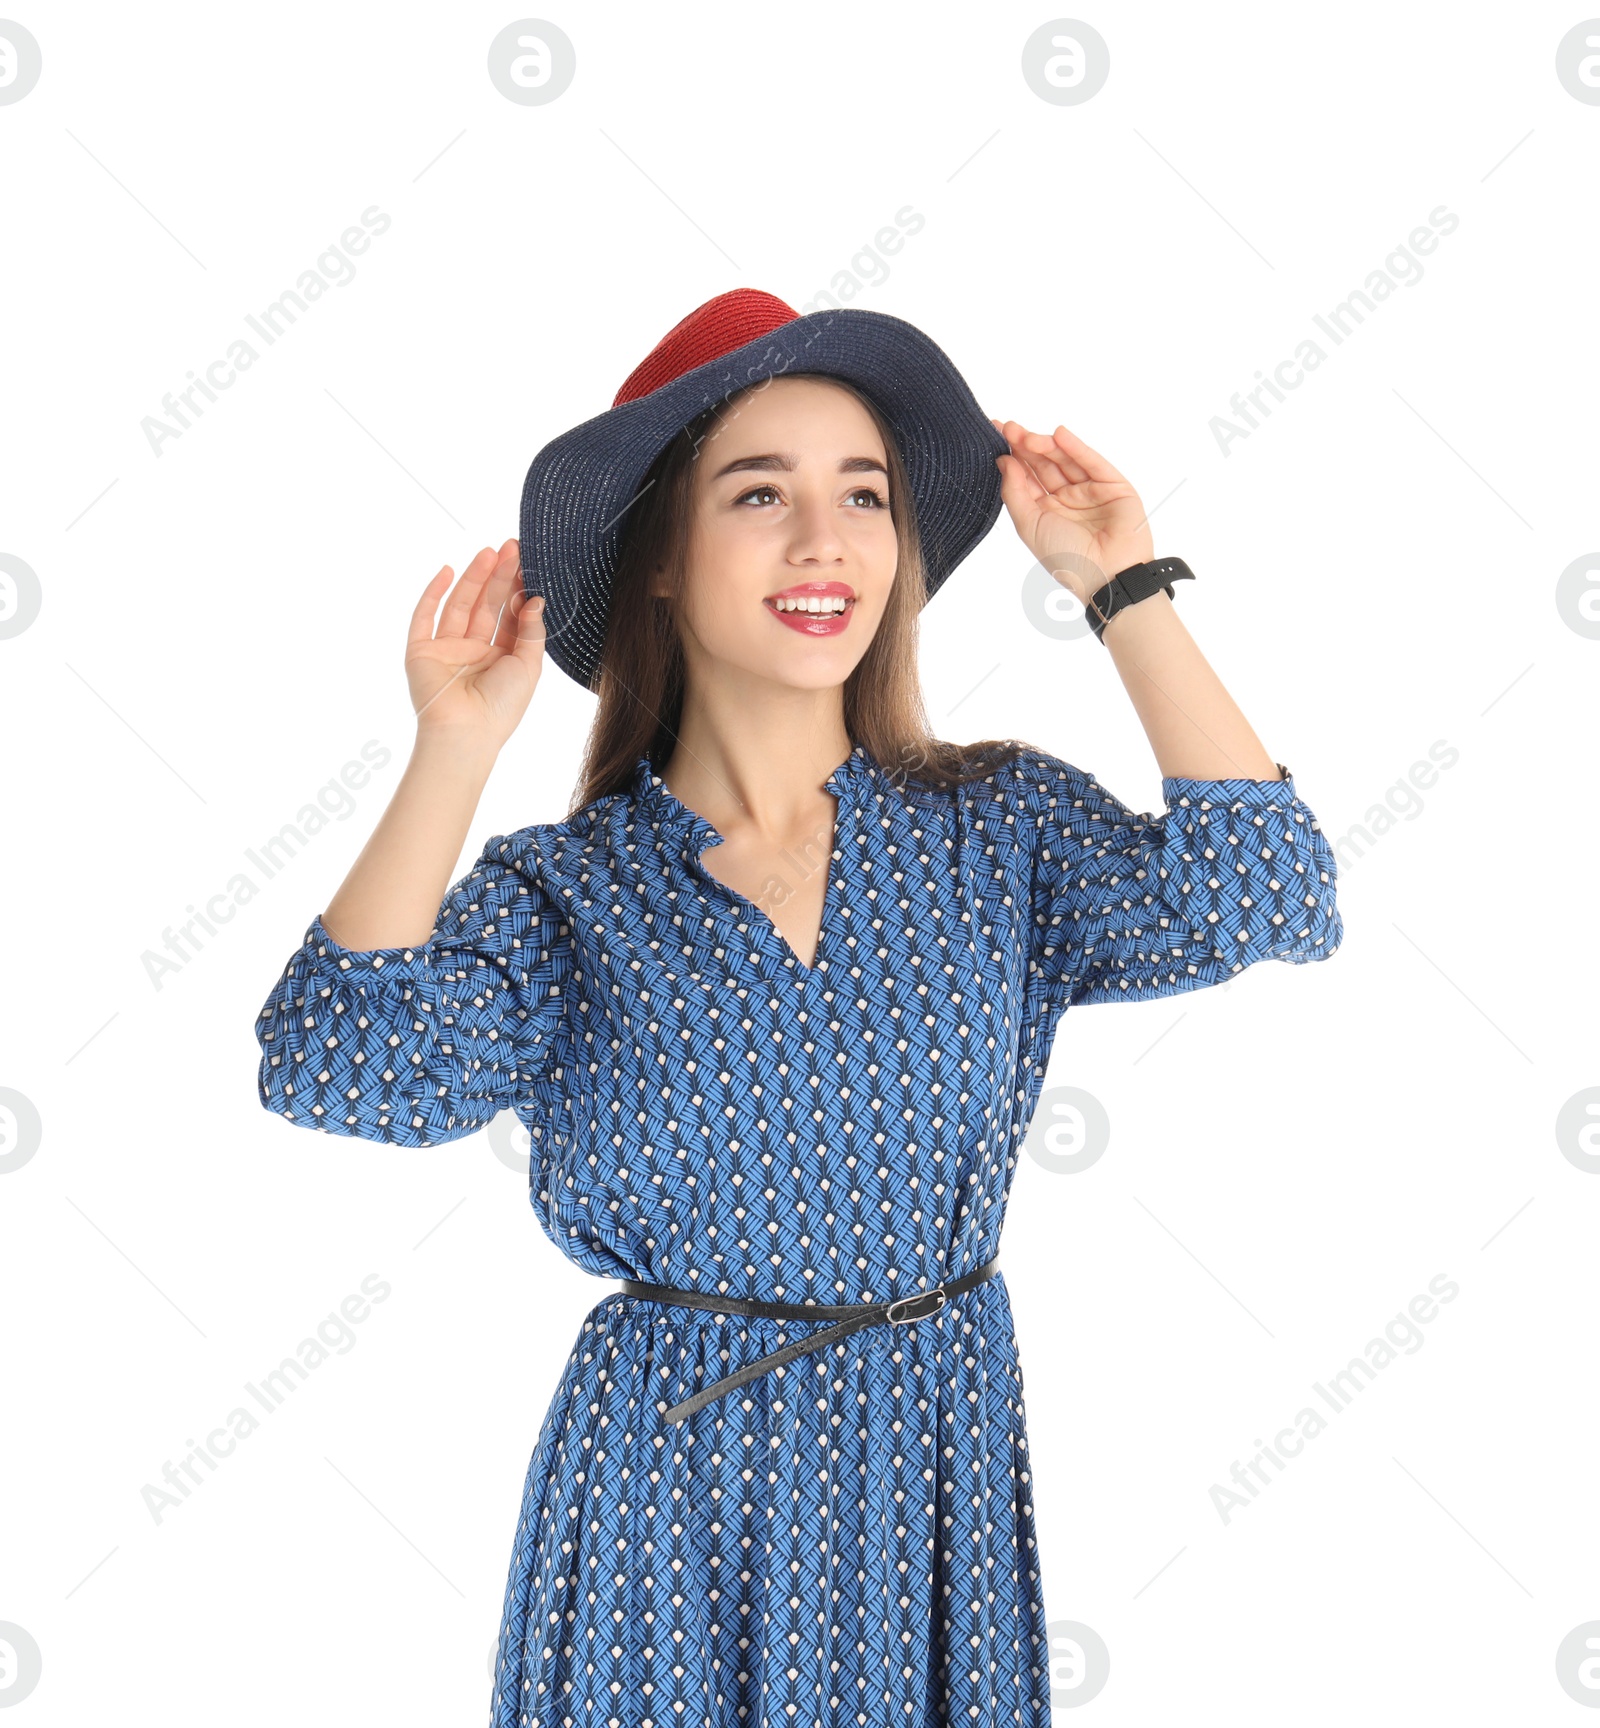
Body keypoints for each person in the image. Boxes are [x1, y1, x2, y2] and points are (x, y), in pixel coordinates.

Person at [254, 288, 1343, 1726]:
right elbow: (335, 1067)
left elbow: (1271, 899)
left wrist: (1120, 587)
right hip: (667, 1512)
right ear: (658, 552)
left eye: (865, 496)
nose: (826, 542)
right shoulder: (566, 897)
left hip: (925, 1476)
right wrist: (455, 749)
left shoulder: (999, 830)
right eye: (759, 493)